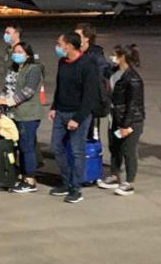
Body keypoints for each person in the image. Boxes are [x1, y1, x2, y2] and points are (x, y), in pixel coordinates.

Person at [48, 32, 102, 204]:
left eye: (60, 43)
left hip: (77, 115)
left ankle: (76, 187)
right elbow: (59, 86)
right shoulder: (62, 62)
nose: (57, 47)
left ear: (69, 46)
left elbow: (90, 96)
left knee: (77, 151)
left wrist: (77, 118)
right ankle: (66, 181)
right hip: (61, 113)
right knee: (56, 147)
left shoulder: (87, 65)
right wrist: (54, 107)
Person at [0, 42, 44, 193]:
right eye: (14, 51)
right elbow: (7, 87)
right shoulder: (13, 68)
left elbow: (28, 91)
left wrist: (9, 101)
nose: (16, 54)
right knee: (17, 147)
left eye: (20, 51)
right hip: (13, 114)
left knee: (27, 147)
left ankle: (30, 179)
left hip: (28, 115)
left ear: (27, 54)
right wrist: (0, 99)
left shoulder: (34, 69)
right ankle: (22, 175)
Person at [98, 44, 144, 196]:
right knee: (114, 147)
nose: (112, 57)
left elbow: (133, 105)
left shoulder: (133, 79)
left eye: (114, 54)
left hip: (130, 121)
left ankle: (129, 182)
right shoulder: (114, 72)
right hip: (115, 117)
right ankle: (114, 175)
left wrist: (126, 125)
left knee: (128, 150)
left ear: (122, 57)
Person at [76, 22, 111, 140]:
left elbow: (102, 75)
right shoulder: (73, 53)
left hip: (91, 103)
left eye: (78, 36)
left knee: (92, 137)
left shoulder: (95, 55)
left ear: (87, 38)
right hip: (76, 102)